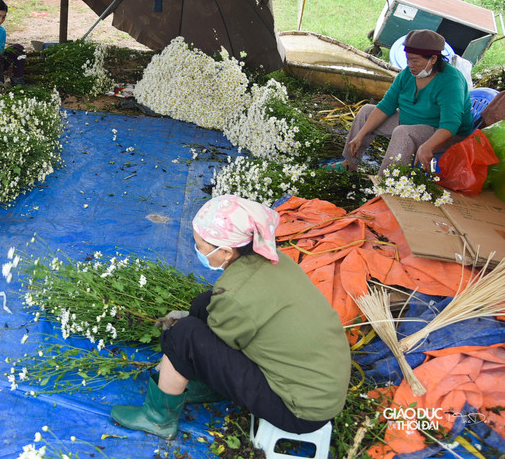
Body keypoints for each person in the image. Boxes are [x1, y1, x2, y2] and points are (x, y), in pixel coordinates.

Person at [111, 195, 350, 440]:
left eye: (200, 246)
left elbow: (215, 340)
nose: (197, 252)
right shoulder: (272, 259)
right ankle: (205, 386)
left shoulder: (235, 293)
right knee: (206, 303)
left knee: (181, 334)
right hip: (321, 384)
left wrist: (178, 339)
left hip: (298, 410)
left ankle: (157, 418)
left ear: (225, 251)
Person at [333, 29, 473, 174]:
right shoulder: (407, 74)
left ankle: (386, 186)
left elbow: (451, 124)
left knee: (403, 132)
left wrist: (428, 146)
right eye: (408, 58)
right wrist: (360, 135)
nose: (409, 64)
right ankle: (349, 164)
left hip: (441, 133)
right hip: (410, 122)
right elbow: (386, 106)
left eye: (415, 60)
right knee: (367, 111)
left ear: (433, 59)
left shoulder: (451, 81)